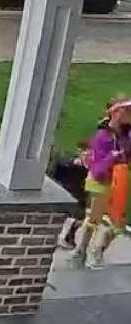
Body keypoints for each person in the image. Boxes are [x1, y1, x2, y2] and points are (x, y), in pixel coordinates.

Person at [68, 100, 131, 270]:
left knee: (117, 224)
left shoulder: (127, 136)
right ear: (115, 113)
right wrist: (113, 156)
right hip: (100, 181)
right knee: (95, 218)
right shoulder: (102, 137)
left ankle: (97, 250)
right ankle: (83, 250)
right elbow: (97, 168)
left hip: (120, 181)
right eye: (127, 110)